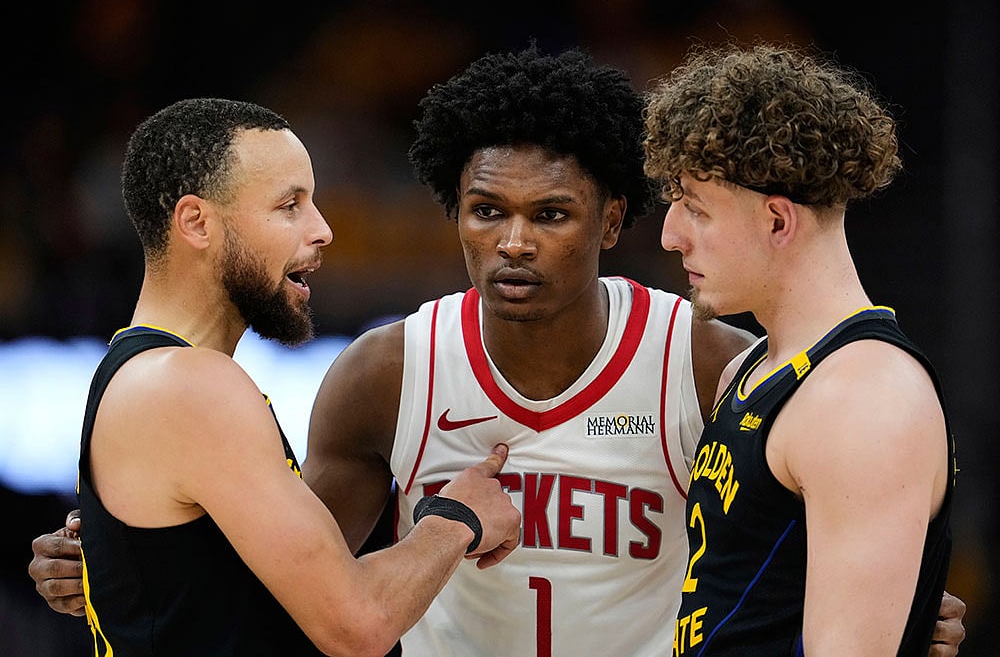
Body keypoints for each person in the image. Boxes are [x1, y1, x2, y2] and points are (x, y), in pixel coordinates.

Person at [30, 50, 967, 656]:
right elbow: (295, 583)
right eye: (489, 211)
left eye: (550, 214)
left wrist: (896, 600)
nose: (515, 241)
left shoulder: (709, 361)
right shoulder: (387, 371)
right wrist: (129, 564)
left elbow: (790, 554)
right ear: (457, 217)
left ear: (611, 220)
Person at [57, 97, 521, 657]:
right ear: (197, 223)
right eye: (289, 205)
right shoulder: (190, 385)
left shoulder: (146, 371)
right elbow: (358, 626)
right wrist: (458, 517)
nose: (323, 230)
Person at [643, 42, 956, 655]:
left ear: (778, 222)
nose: (670, 235)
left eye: (695, 209)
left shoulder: (865, 399)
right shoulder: (750, 366)